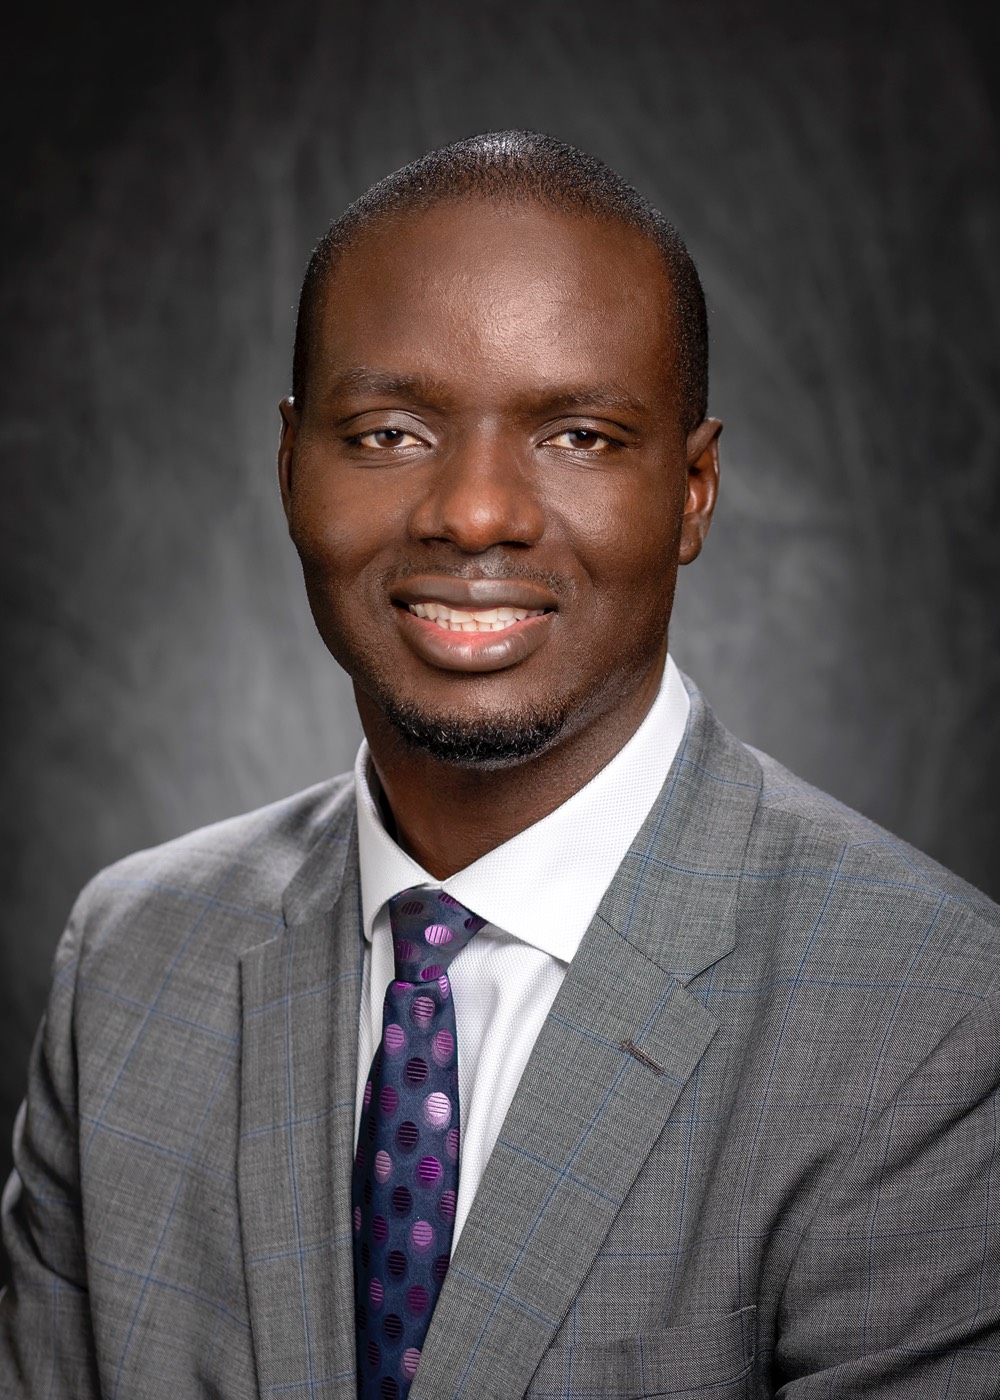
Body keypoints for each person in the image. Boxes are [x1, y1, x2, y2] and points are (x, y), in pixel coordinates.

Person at [1, 130, 998, 1399]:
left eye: (578, 435)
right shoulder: (130, 963)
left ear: (692, 488)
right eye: (389, 431)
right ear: (289, 465)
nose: (474, 511)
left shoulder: (938, 1021)